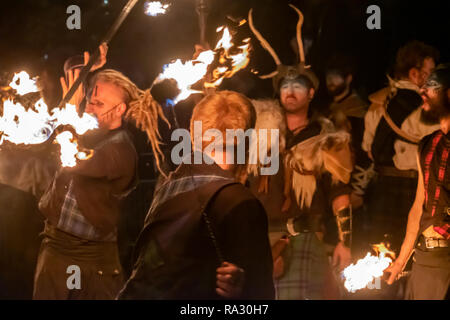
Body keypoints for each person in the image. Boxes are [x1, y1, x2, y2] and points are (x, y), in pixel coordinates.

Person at [117, 91, 275, 299]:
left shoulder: (168, 188)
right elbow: (260, 298)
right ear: (247, 141)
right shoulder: (240, 203)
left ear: (193, 134)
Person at [33, 61, 167, 299]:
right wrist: (87, 65)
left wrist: (70, 119)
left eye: (99, 103)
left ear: (119, 110)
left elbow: (76, 160)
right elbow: (70, 70)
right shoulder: (87, 133)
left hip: (94, 260)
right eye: (89, 101)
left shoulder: (122, 150)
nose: (90, 108)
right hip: (54, 247)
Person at [248, 5, 353, 300]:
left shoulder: (328, 139)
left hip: (306, 237)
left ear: (311, 93)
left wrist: (345, 242)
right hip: (259, 240)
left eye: (298, 86)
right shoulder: (257, 133)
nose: (290, 91)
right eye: (285, 86)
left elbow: (339, 192)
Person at [362, 40, 440, 253]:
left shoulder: (378, 103)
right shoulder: (426, 109)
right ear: (415, 74)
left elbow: (368, 149)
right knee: (410, 256)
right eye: (430, 72)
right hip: (411, 193)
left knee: (380, 257)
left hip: (380, 191)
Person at [386, 65, 450, 300]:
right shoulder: (426, 145)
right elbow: (419, 205)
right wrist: (401, 260)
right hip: (424, 260)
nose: (422, 90)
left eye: (432, 87)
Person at [324, 54, 374, 258]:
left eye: (336, 76)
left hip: (351, 188)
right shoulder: (327, 111)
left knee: (352, 244)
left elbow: (367, 154)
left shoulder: (359, 111)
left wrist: (358, 191)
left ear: (349, 78)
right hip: (330, 187)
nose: (331, 81)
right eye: (329, 76)